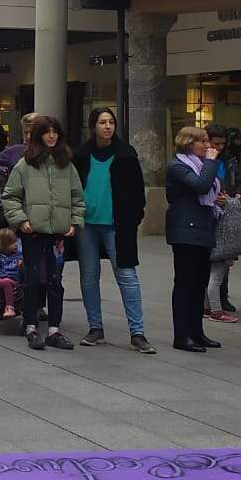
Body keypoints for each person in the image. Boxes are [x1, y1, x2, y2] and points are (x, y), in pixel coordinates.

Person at [0, 115, 86, 351]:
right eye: (47, 131)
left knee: (55, 281)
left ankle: (54, 329)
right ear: (38, 135)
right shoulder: (25, 164)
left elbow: (78, 196)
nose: (51, 136)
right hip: (33, 232)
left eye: (55, 131)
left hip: (58, 233)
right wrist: (21, 221)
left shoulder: (66, 164)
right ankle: (30, 326)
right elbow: (10, 196)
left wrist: (75, 223)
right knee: (31, 279)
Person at [74, 108, 150, 351]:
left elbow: (138, 192)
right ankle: (95, 326)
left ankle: (137, 332)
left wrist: (134, 218)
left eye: (111, 122)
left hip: (118, 225)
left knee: (127, 275)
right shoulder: (82, 155)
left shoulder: (126, 154)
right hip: (87, 225)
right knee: (88, 276)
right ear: (93, 126)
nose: (107, 126)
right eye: (102, 122)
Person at [163, 127, 221, 354]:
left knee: (200, 283)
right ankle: (182, 334)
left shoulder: (199, 165)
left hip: (203, 229)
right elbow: (201, 185)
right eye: (203, 141)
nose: (208, 146)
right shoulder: (178, 166)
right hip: (185, 231)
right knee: (185, 282)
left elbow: (210, 190)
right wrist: (210, 162)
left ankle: (197, 331)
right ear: (189, 143)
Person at [206, 189, 241, 324]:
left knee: (209, 276)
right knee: (216, 277)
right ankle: (216, 311)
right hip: (221, 243)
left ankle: (207, 308)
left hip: (211, 237)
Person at [0, 228, 24, 319]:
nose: (15, 244)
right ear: (4, 246)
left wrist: (21, 267)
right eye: (12, 243)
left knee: (5, 281)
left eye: (15, 242)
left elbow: (23, 275)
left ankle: (10, 307)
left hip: (14, 281)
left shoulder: (19, 256)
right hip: (0, 278)